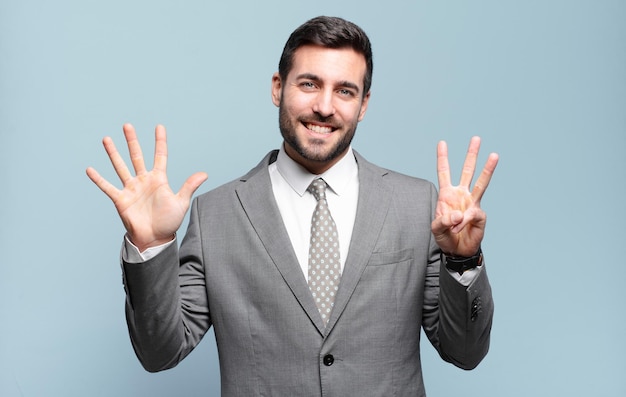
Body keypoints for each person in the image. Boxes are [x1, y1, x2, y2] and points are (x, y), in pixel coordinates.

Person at [86, 16, 499, 396]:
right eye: (309, 84)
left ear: (364, 104)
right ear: (277, 88)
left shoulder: (417, 203)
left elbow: (464, 353)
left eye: (345, 91)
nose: (324, 106)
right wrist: (153, 244)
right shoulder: (216, 215)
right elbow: (159, 353)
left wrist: (463, 260)